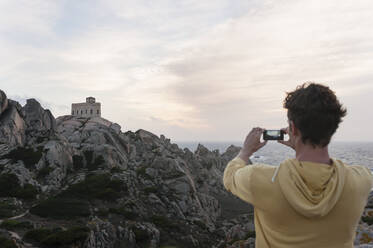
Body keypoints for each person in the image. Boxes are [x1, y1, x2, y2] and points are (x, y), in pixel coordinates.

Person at [223, 83, 373, 248]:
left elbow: (229, 177)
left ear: (292, 128)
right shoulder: (361, 180)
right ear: (333, 128)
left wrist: (245, 152)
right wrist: (302, 145)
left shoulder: (259, 179)